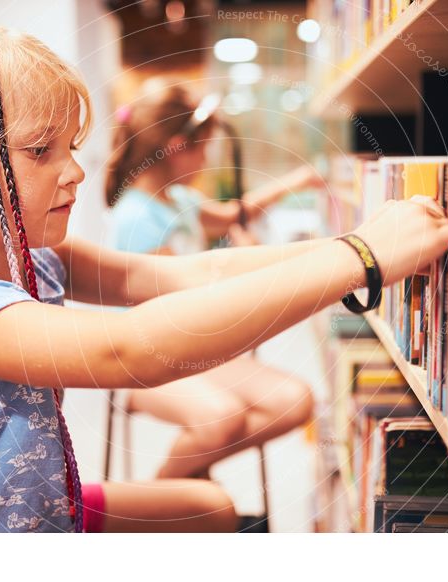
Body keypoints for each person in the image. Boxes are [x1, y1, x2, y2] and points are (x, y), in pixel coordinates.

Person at [0, 16, 448, 533]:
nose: (73, 172)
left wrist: (350, 245)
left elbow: (196, 272)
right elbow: (128, 348)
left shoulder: (28, 255)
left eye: (72, 146)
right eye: (40, 151)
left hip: (46, 510)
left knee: (211, 509)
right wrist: (361, 262)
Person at [104, 81, 319, 480]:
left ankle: (188, 480)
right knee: (220, 420)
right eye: (201, 147)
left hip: (193, 348)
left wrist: (296, 182)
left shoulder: (179, 201)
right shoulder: (138, 216)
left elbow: (234, 214)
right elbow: (174, 301)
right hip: (146, 361)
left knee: (295, 401)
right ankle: (157, 504)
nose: (206, 159)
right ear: (175, 148)